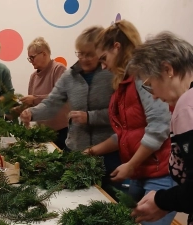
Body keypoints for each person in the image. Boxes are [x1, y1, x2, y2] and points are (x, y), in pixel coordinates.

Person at [89, 20, 176, 224]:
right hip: (141, 173)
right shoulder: (124, 82)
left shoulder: (141, 76)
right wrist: (91, 151)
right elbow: (125, 134)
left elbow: (160, 125)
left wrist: (130, 164)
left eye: (104, 58)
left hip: (161, 174)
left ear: (117, 47)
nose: (103, 66)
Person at [19, 26, 122, 198]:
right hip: (76, 150)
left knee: (108, 201)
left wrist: (89, 117)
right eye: (80, 54)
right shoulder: (70, 76)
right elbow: (52, 102)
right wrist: (32, 113)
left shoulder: (113, 76)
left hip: (107, 155)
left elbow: (118, 115)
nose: (84, 59)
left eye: (89, 54)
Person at [128, 32, 193, 225]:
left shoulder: (187, 107)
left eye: (149, 85)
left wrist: (161, 201)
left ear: (167, 69)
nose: (154, 96)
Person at [14, 37, 69, 149]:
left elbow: (61, 97)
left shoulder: (58, 69)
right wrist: (20, 109)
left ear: (44, 54)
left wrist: (35, 99)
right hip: (43, 132)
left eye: (32, 57)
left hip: (61, 132)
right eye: (29, 58)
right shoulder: (33, 76)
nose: (31, 61)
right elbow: (32, 104)